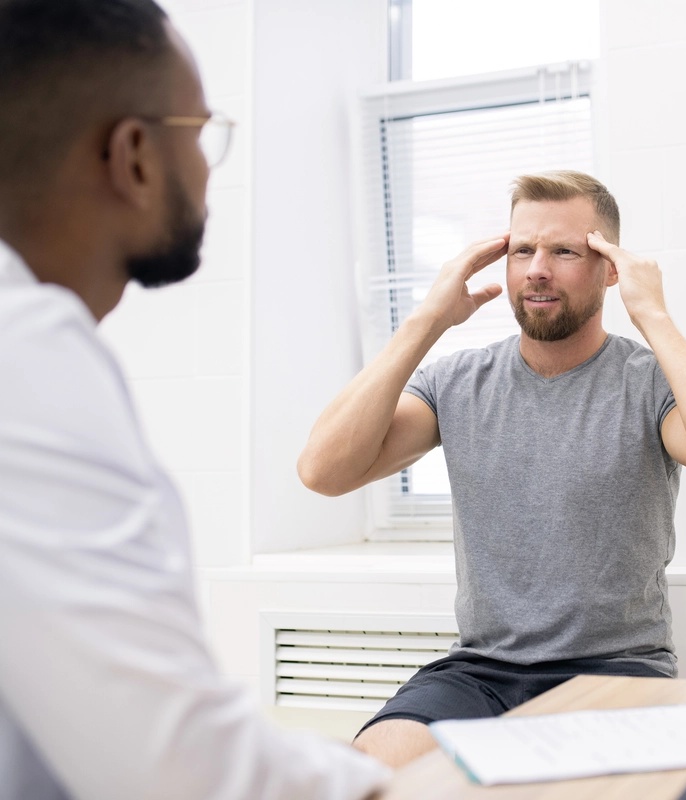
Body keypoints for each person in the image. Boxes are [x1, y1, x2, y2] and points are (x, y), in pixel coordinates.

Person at [0, 1, 392, 797]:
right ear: (136, 155)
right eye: (202, 132)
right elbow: (176, 767)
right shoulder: (25, 345)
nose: (212, 168)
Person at [298, 170, 686, 767]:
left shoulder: (648, 384)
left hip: (616, 670)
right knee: (368, 774)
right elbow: (322, 470)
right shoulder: (456, 382)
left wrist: (652, 316)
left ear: (610, 268)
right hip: (478, 672)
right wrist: (426, 320)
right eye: (522, 249)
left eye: (564, 251)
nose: (536, 268)